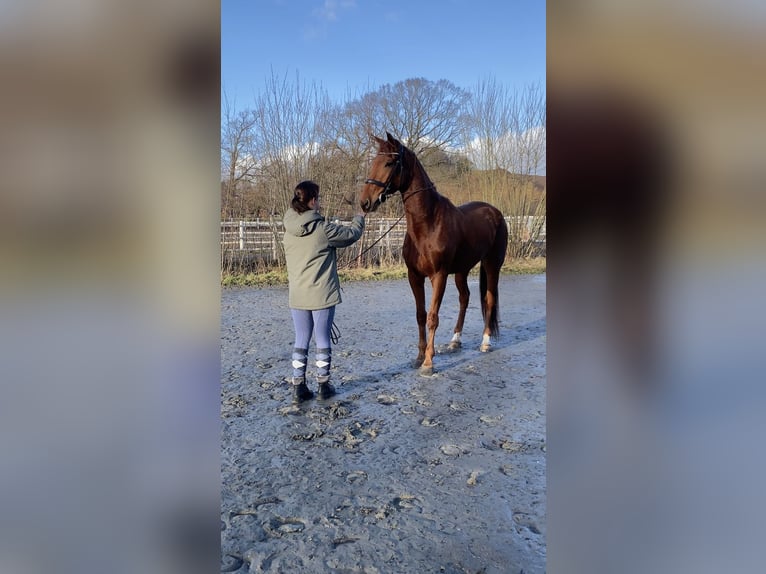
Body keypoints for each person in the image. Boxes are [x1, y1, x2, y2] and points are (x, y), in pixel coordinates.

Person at [282, 180, 366, 404]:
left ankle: (298, 386)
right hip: (321, 294)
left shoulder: (288, 229)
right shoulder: (323, 229)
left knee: (301, 339)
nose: (319, 202)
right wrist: (359, 218)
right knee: (322, 339)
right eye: (318, 198)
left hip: (297, 295)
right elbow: (350, 235)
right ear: (312, 200)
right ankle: (323, 384)